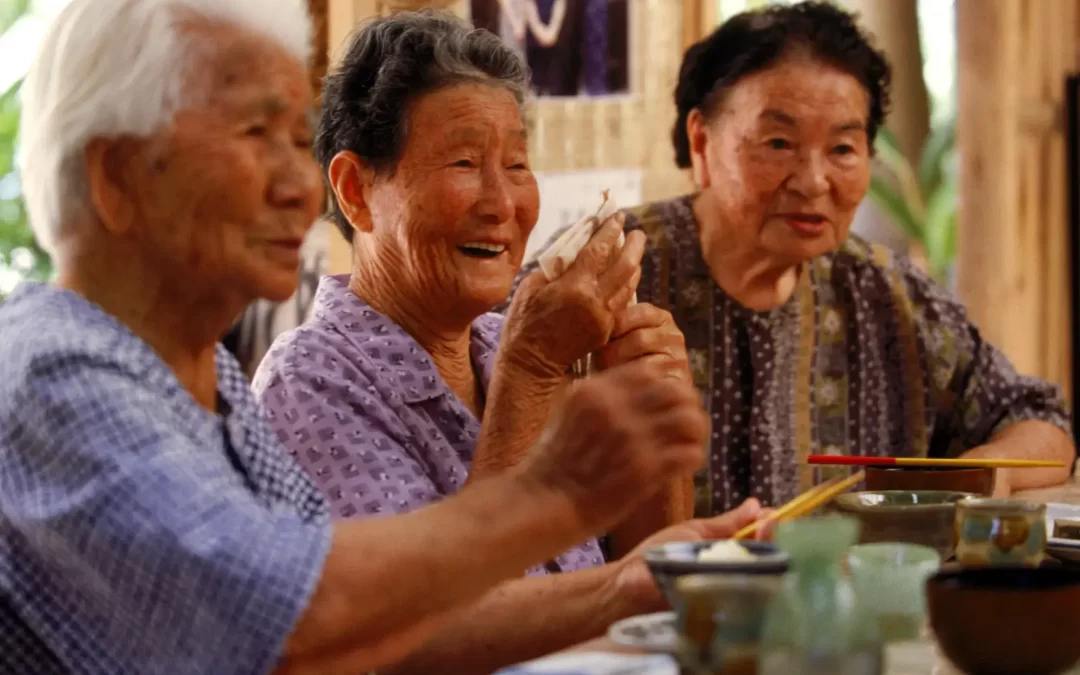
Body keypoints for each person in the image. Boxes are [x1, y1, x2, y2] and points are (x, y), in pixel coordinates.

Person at [0, 2, 759, 674]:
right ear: (118, 178)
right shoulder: (56, 371)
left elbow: (390, 630)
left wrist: (634, 578)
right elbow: (295, 621)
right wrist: (551, 480)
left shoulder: (205, 380)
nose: (301, 186)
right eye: (253, 132)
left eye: (294, 140)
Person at [512, 1, 1075, 517]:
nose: (813, 182)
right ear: (702, 143)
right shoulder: (605, 270)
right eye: (778, 144)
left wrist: (989, 471)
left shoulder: (892, 296)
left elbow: (1041, 421)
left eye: (844, 149)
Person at [253, 10, 693, 570]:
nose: (502, 204)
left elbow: (652, 587)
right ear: (355, 190)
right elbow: (424, 633)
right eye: (464, 162)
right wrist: (531, 370)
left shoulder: (497, 344)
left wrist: (653, 403)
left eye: (516, 164)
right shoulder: (311, 382)